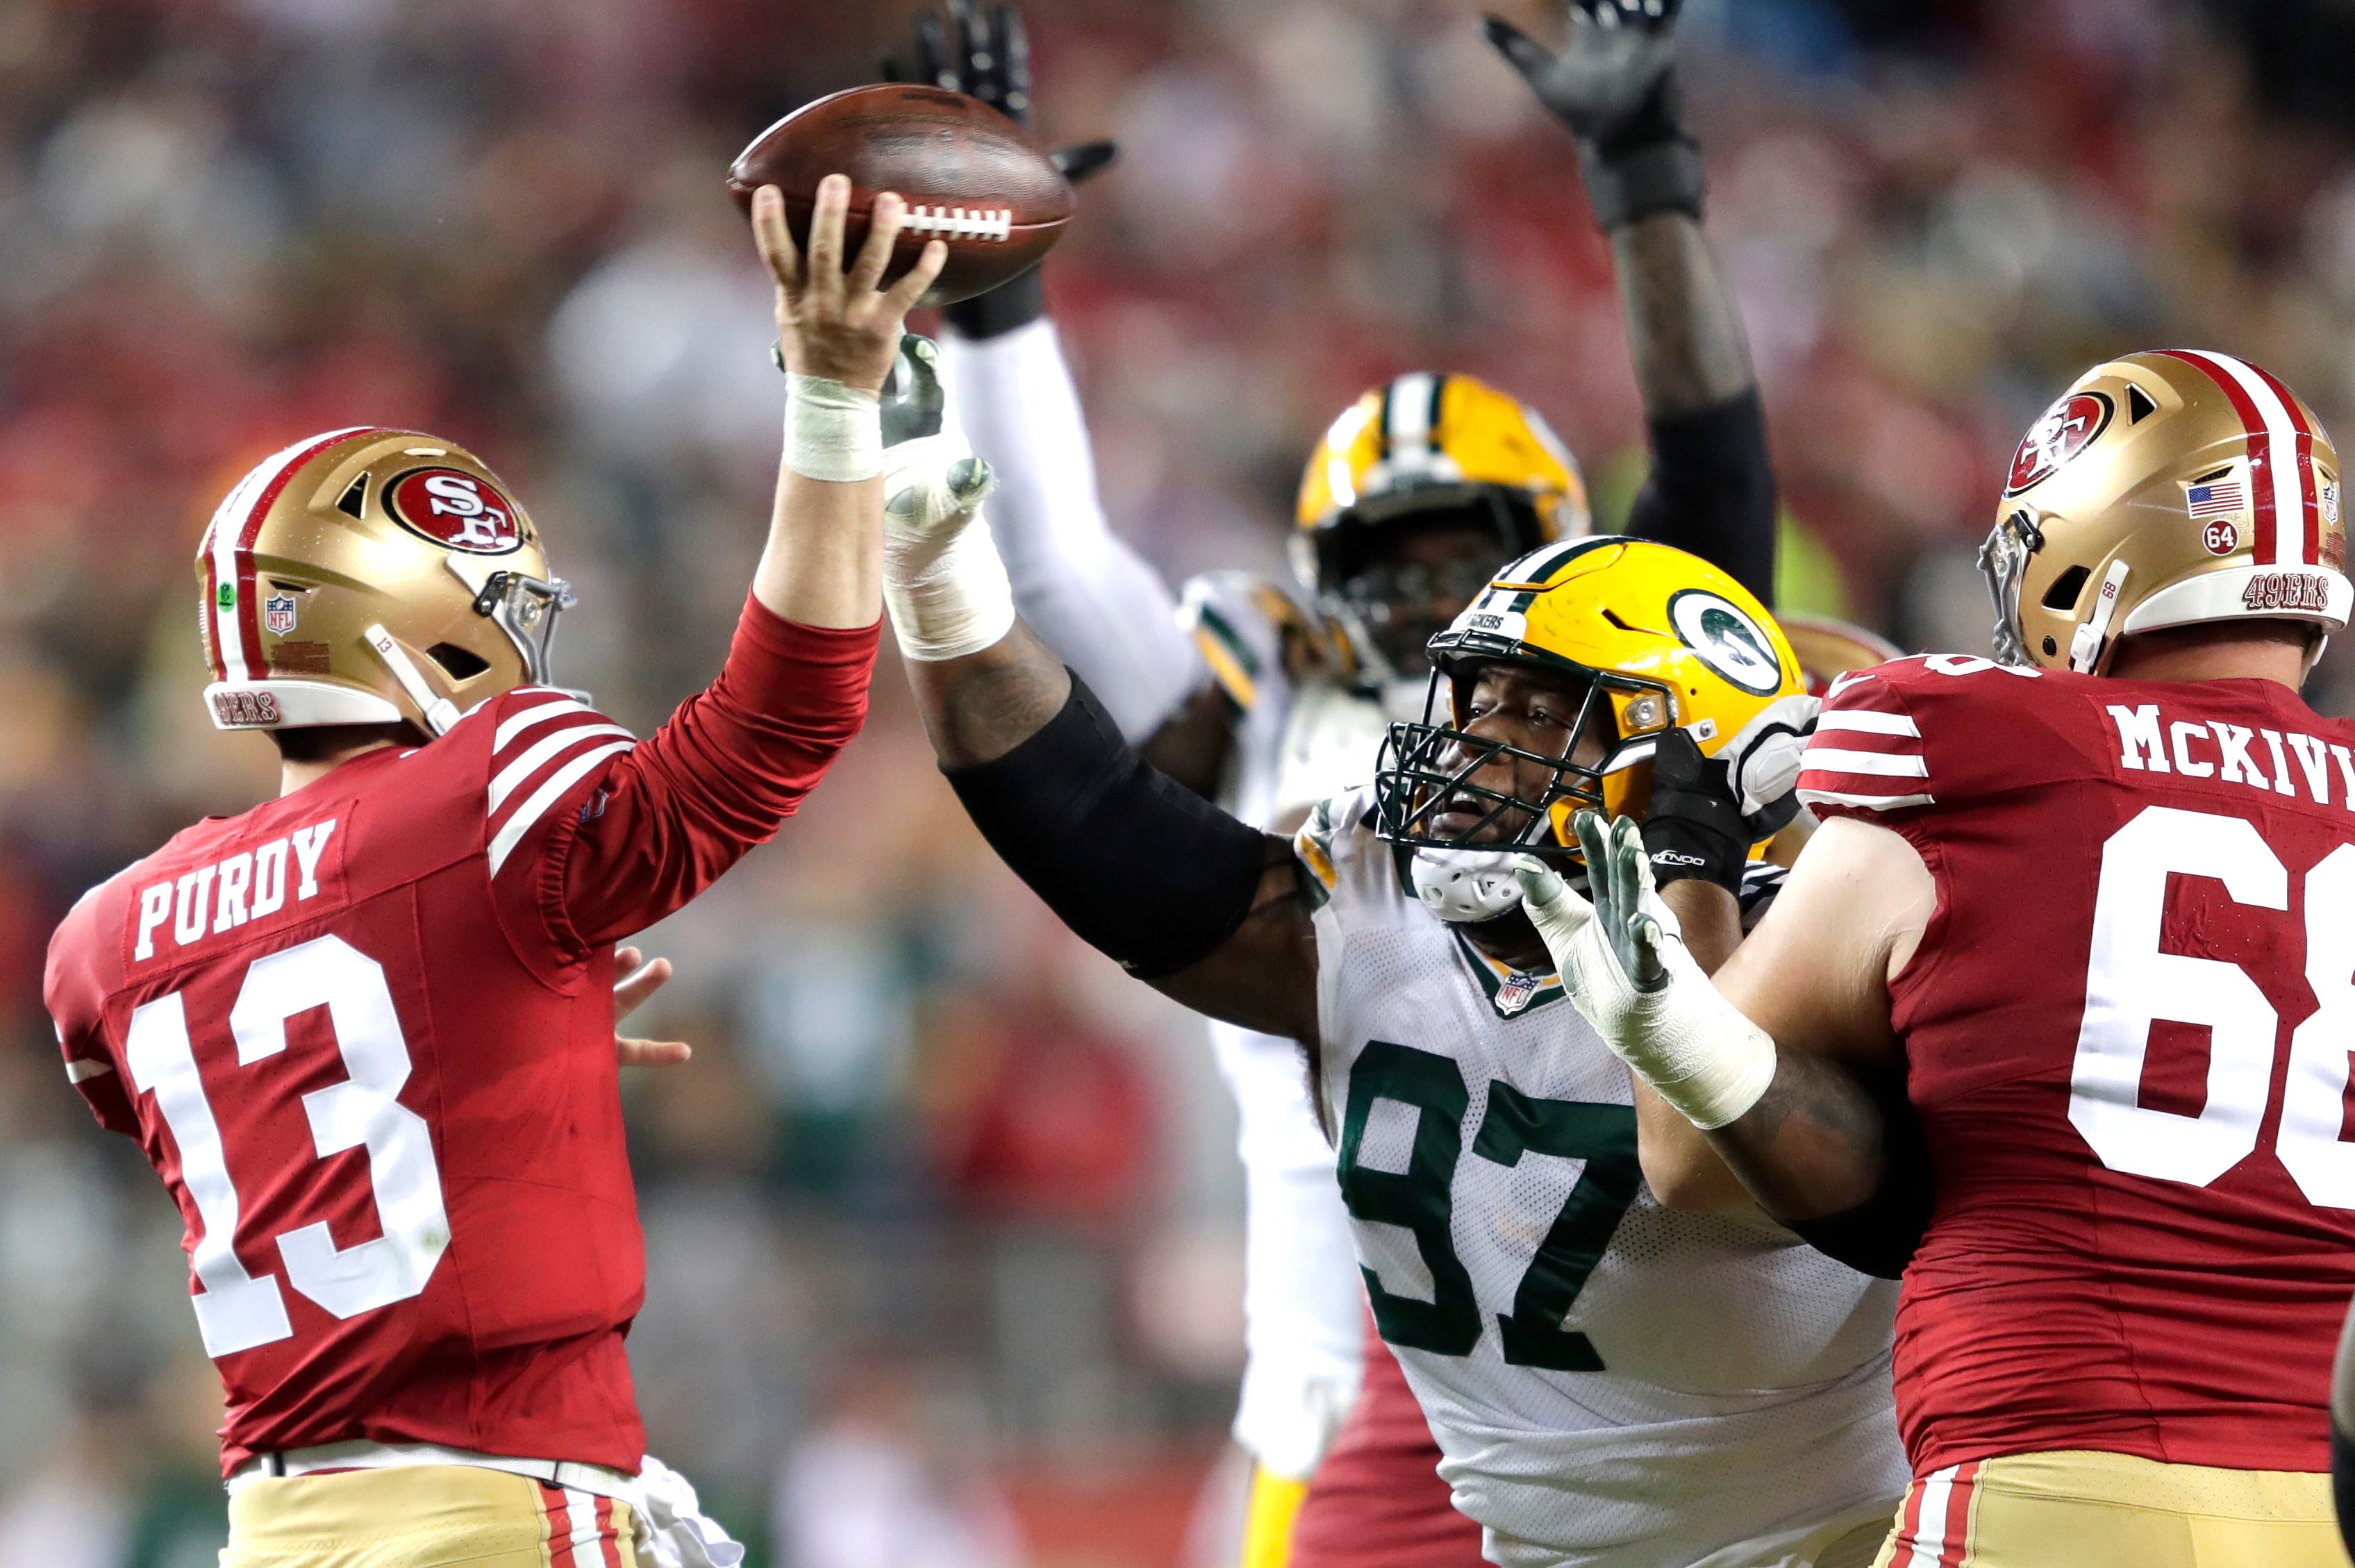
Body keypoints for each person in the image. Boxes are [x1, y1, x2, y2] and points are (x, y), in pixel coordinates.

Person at [892, 1, 1826, 1560]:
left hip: (1669, 1369)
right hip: (1347, 1375)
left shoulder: (1637, 725)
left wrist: (1644, 175)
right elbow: (1046, 589)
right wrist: (995, 309)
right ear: (1320, 576)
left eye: (1472, 548)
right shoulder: (1265, 691)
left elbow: (1713, 506)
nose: (1427, 599)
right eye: (1387, 563)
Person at [42, 176, 944, 1568]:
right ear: (406, 617)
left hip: (274, 1530)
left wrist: (473, 1041)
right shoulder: (478, 798)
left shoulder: (108, 933)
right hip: (493, 1515)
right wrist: (832, 397)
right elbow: (780, 727)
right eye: (496, 608)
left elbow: (271, 1120)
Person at [1526, 348, 2355, 1567]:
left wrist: (1693, 846)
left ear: (2085, 546)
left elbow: (1689, 1151)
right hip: (2325, 1509)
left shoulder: (1971, 741)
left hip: (2055, 1481)